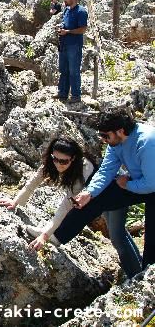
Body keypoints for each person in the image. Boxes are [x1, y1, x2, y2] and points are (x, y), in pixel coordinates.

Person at [0, 136, 142, 278]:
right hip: (97, 197)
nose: (58, 164)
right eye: (55, 159)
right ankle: (140, 269)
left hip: (113, 191)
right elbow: (33, 182)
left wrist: (45, 235)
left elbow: (66, 206)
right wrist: (16, 201)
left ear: (73, 159)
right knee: (117, 232)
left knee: (117, 237)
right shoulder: (51, 162)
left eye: (63, 161)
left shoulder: (83, 168)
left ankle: (137, 277)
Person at [52, 107, 155, 272]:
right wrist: (89, 192)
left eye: (106, 135)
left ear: (120, 131)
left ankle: (146, 282)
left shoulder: (146, 141)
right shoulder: (115, 144)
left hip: (149, 184)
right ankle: (57, 237)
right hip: (136, 181)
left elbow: (151, 184)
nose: (103, 140)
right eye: (101, 135)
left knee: (152, 243)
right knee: (94, 199)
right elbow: (106, 171)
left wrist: (126, 184)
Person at [56, 0, 87, 103]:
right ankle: (62, 93)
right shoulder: (66, 10)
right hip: (64, 44)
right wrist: (60, 28)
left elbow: (82, 29)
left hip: (74, 45)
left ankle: (75, 96)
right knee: (63, 69)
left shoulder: (81, 11)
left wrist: (67, 32)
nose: (64, 0)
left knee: (74, 70)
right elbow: (65, 23)